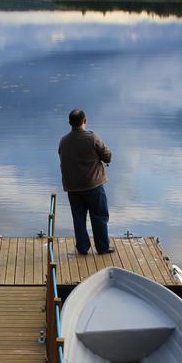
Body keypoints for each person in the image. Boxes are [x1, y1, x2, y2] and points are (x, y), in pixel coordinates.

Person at [58, 108, 114, 255]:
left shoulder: (63, 141)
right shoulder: (92, 137)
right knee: (99, 216)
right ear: (85, 121)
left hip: (73, 188)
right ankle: (102, 247)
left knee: (78, 218)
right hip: (93, 185)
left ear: (70, 123)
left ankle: (82, 248)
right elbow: (107, 156)